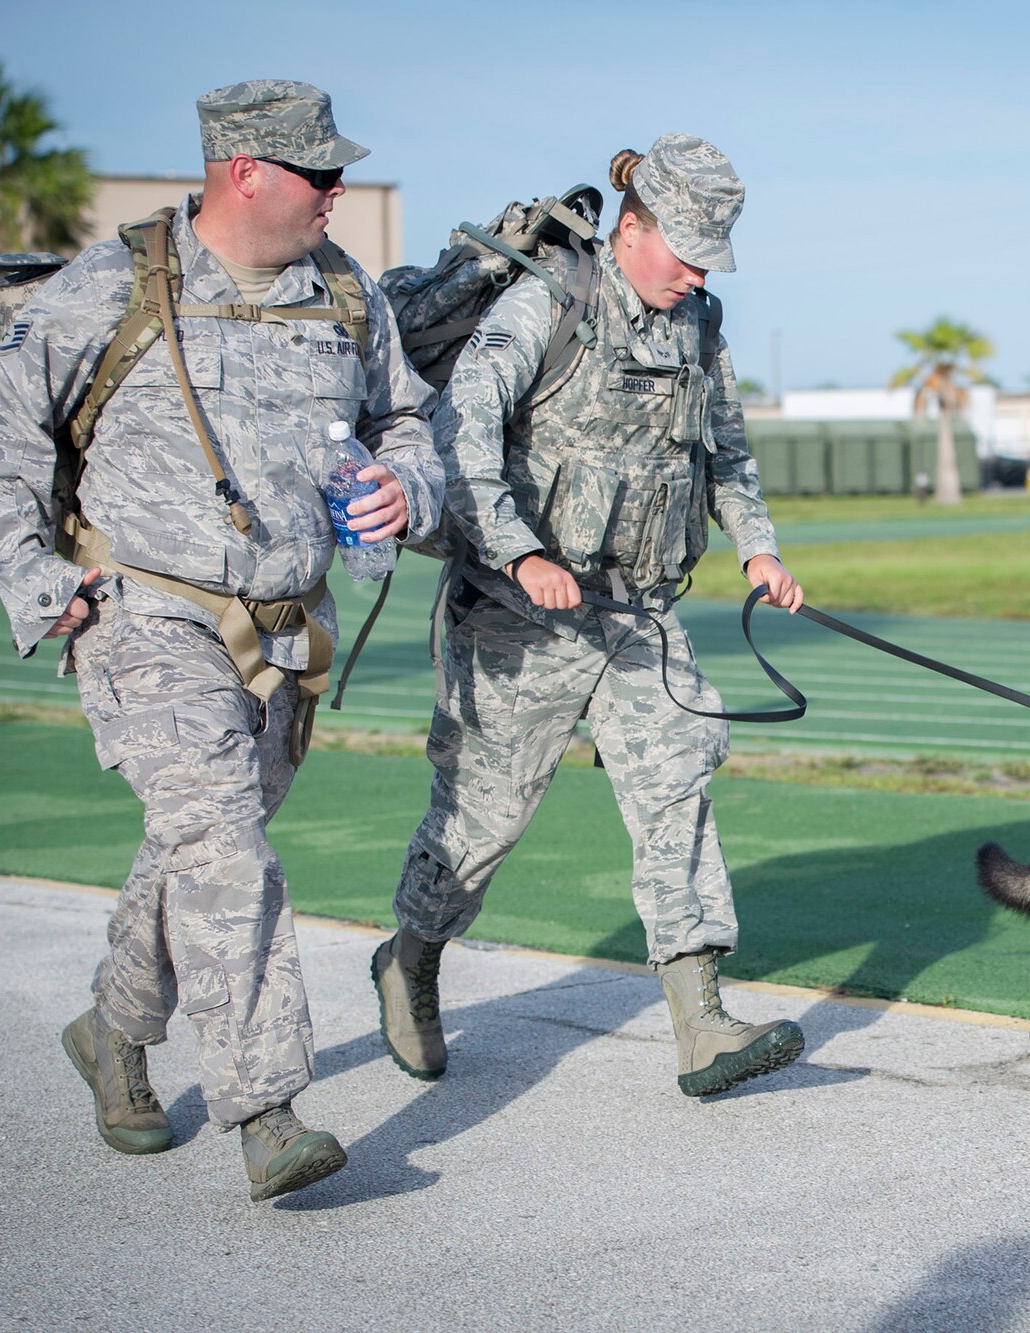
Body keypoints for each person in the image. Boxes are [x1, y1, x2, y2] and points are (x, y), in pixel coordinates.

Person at [0, 81, 444, 1201]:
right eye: (318, 173)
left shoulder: (345, 291)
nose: (337, 191)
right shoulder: (114, 285)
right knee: (224, 848)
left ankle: (114, 1028)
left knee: (194, 851)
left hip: (281, 632)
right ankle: (266, 1109)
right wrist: (36, 581)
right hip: (145, 616)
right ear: (244, 171)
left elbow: (408, 419)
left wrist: (402, 487)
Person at [373, 135, 808, 1099]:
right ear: (634, 225)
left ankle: (702, 1024)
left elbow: (725, 452)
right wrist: (520, 552)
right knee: (480, 823)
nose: (696, 274)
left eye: (710, 259)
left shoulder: (698, 322)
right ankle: (409, 958)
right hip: (518, 613)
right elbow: (459, 442)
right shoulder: (548, 306)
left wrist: (759, 545)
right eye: (683, 252)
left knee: (675, 788)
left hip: (639, 615)